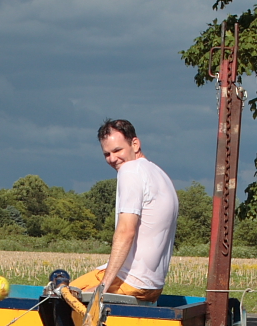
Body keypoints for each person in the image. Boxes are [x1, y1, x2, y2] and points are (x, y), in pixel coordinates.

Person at [71, 119, 179, 303]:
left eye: (117, 150)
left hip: (132, 281)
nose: (113, 159)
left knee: (61, 295)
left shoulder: (130, 170)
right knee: (70, 288)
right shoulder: (160, 174)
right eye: (107, 154)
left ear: (135, 144)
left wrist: (102, 288)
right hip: (153, 286)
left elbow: (126, 232)